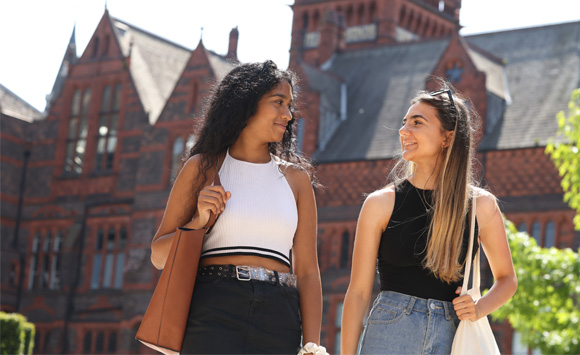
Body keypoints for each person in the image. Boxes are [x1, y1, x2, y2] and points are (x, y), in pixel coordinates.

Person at [150, 60, 324, 354]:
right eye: (278, 103)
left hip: (279, 314)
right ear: (247, 103)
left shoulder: (297, 180)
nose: (289, 114)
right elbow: (158, 256)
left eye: (290, 105)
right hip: (213, 308)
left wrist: (312, 345)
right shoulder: (202, 168)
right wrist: (197, 222)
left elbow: (307, 270)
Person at [340, 81, 518, 354]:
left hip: (452, 335)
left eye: (417, 122)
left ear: (446, 138)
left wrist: (479, 307)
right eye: (404, 122)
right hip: (390, 331)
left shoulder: (481, 205)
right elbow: (358, 293)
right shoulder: (380, 204)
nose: (403, 130)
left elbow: (507, 279)